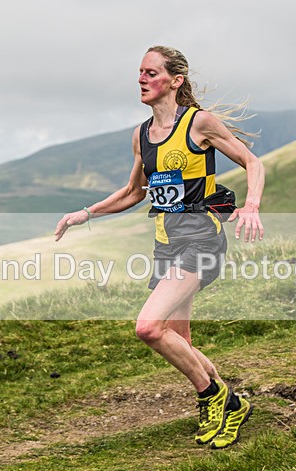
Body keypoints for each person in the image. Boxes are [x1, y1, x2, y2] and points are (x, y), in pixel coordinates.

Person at [54, 46, 264, 449]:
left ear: (175, 80)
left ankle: (212, 396)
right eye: (140, 73)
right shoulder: (142, 135)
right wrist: (87, 213)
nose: (142, 79)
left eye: (151, 72)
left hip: (201, 240)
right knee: (178, 339)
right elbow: (134, 191)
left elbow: (253, 163)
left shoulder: (198, 123)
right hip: (167, 244)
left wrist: (251, 205)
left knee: (148, 328)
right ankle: (232, 404)